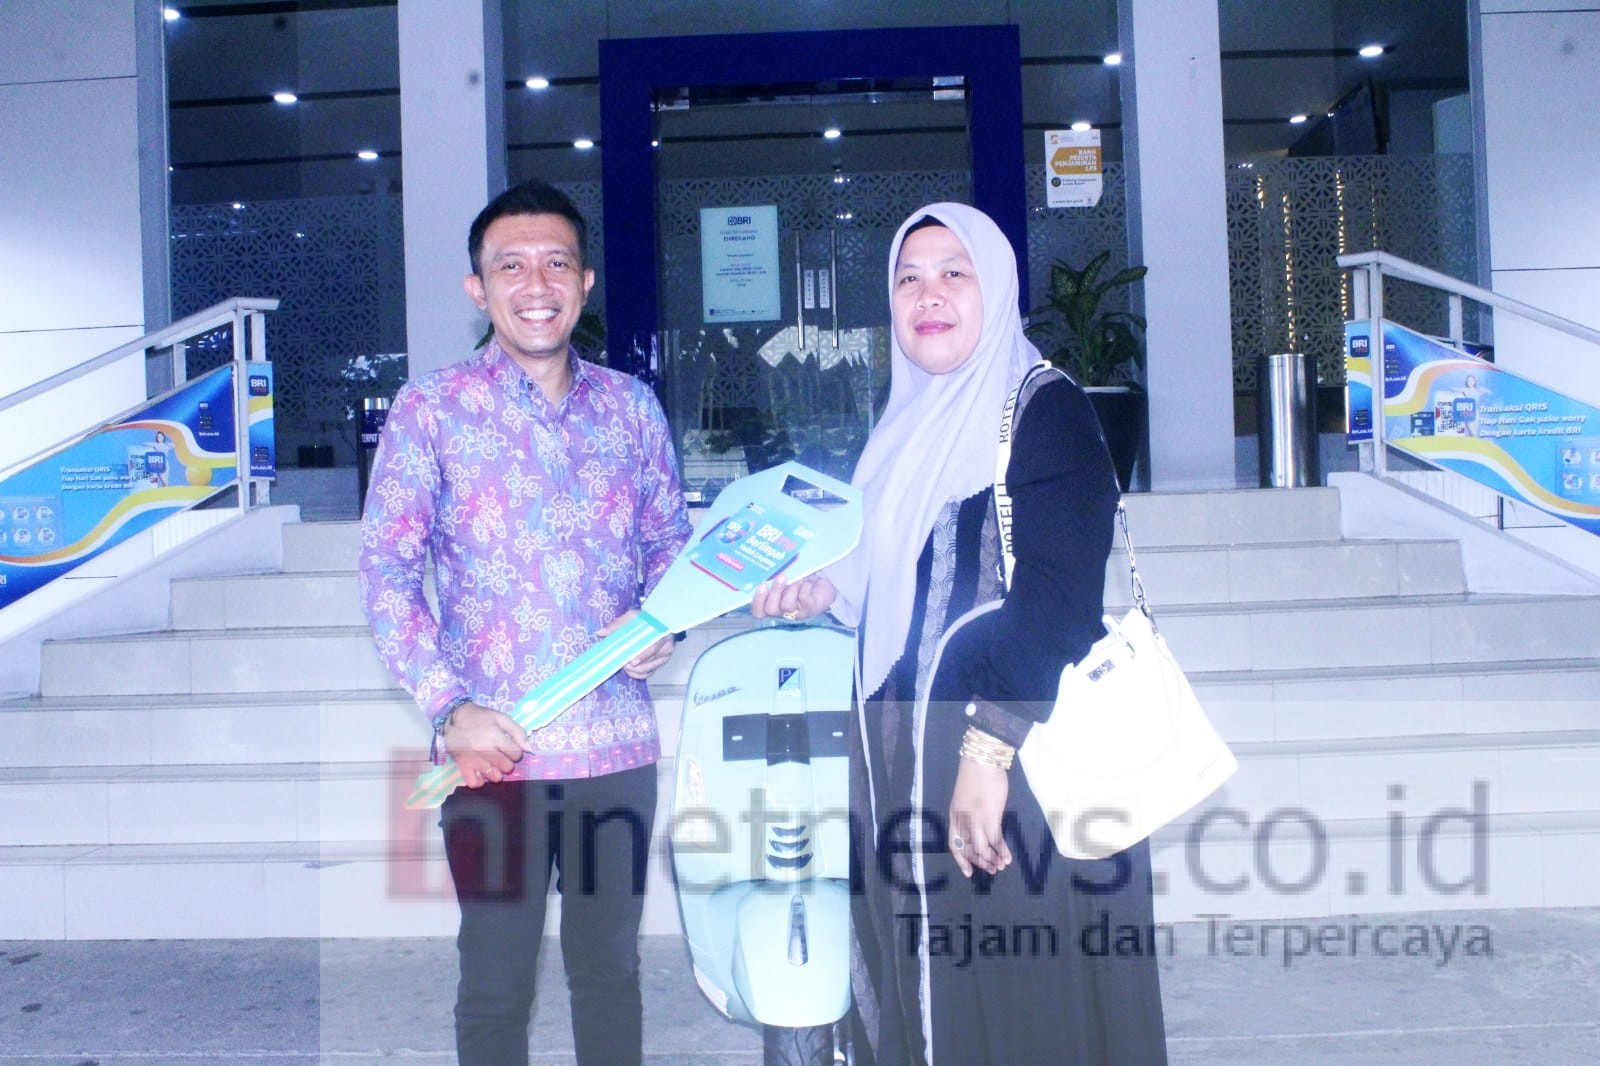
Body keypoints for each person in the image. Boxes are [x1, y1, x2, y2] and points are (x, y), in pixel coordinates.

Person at [753, 203, 1167, 1064]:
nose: (927, 295)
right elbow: (898, 584)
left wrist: (988, 752)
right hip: (908, 762)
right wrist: (823, 590)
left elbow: (1058, 602)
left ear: (997, 288)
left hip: (1008, 765)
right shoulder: (905, 426)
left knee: (1010, 991)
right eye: (908, 279)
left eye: (953, 274)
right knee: (930, 978)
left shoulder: (1044, 409)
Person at [359, 180, 693, 1066]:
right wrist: (450, 709)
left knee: (609, 973)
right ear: (479, 288)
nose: (535, 284)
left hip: (615, 750)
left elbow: (671, 543)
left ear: (584, 282)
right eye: (511, 266)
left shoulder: (631, 407)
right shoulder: (430, 410)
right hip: (491, 755)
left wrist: (666, 620)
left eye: (555, 263)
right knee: (497, 982)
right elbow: (387, 574)